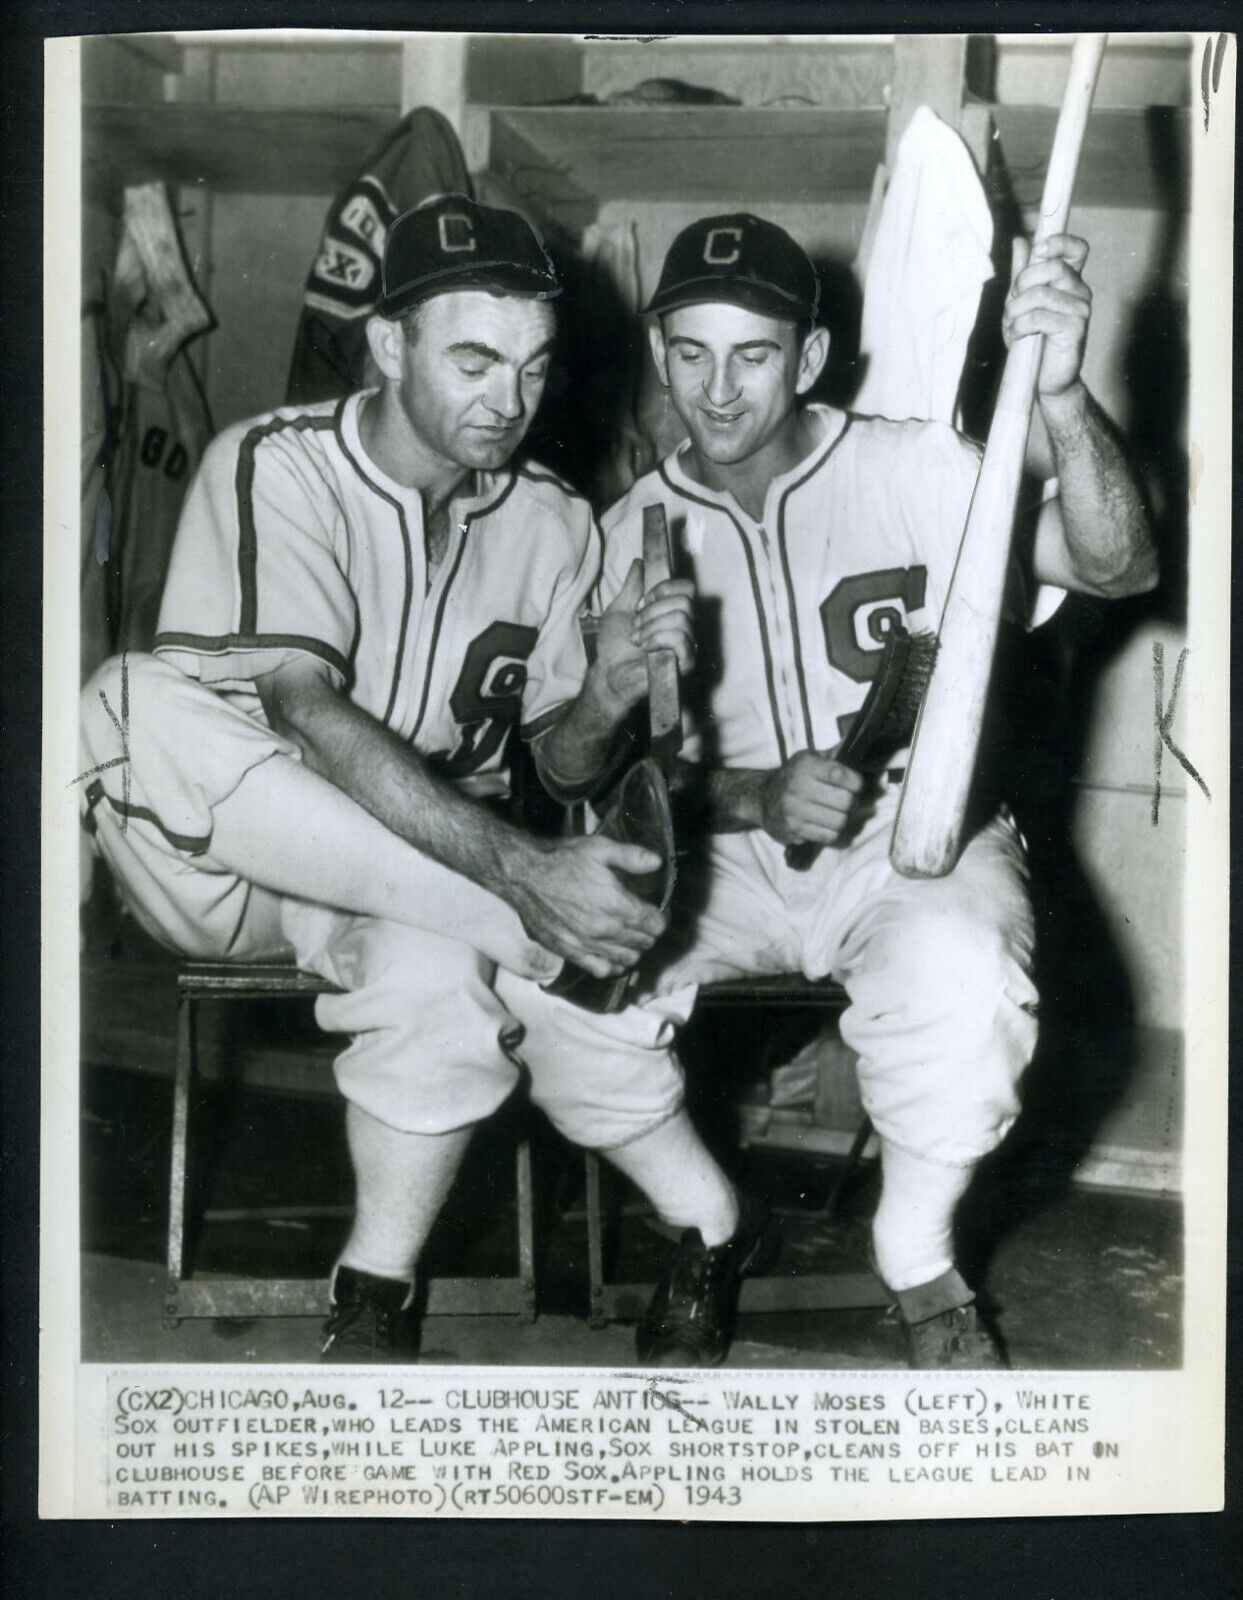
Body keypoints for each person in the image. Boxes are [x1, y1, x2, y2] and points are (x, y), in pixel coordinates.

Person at [79, 195, 755, 1363]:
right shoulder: (276, 461)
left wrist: (602, 687)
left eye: (534, 366)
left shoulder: (554, 519)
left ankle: (379, 1297)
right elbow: (300, 708)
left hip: (421, 880)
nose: (511, 398)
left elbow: (560, 762)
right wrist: (519, 875)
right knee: (122, 704)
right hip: (241, 855)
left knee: (441, 962)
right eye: (474, 359)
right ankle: (523, 927)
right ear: (388, 346)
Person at [587, 212, 1157, 1368]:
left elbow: (1119, 562)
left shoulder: (908, 466)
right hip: (726, 853)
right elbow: (612, 781)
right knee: (551, 984)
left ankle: (914, 1256)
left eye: (753, 354)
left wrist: (1057, 396)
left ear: (806, 358)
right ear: (658, 351)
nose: (720, 388)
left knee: (963, 977)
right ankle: (706, 1226)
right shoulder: (620, 534)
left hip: (913, 826)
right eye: (691, 352)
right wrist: (751, 799)